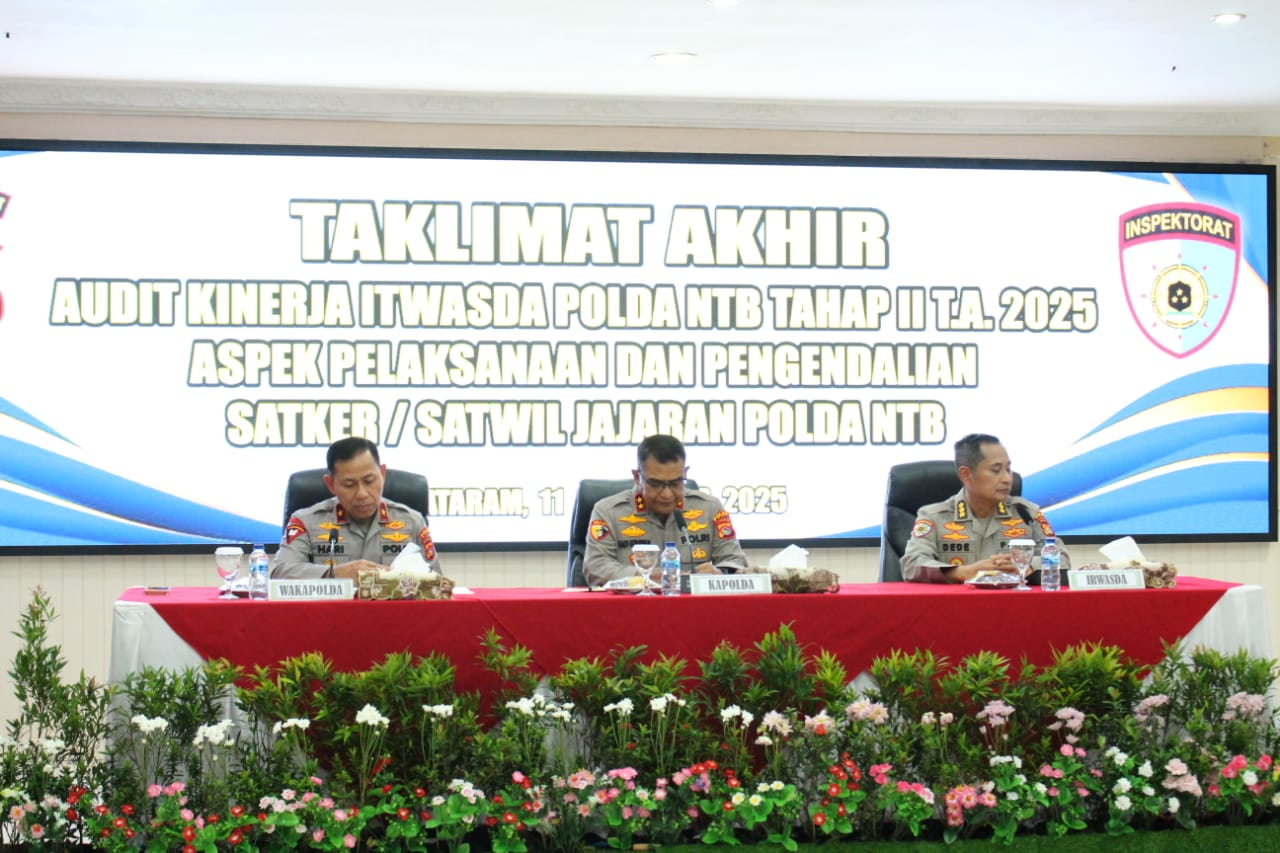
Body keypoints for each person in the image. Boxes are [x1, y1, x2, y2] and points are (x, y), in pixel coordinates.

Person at [584, 434, 748, 588]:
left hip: (692, 605)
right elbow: (594, 567)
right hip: (633, 605)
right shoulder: (608, 512)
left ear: (685, 474)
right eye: (655, 484)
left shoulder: (709, 508)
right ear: (637, 478)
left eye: (676, 483)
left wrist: (720, 573)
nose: (667, 494)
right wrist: (642, 576)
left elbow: (734, 560)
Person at [900, 433, 1067, 584]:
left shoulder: (1026, 514)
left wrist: (1026, 567)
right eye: (996, 470)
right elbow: (911, 564)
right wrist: (965, 572)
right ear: (966, 474)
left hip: (1011, 603)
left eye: (1008, 469)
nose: (1007, 479)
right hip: (957, 605)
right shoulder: (934, 516)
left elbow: (1062, 557)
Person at [272, 436, 440, 580]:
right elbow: (279, 573)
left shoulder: (412, 521)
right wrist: (334, 574)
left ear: (382, 474)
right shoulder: (306, 521)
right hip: (332, 609)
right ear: (331, 484)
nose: (362, 494)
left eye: (369, 481)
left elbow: (436, 582)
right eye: (349, 485)